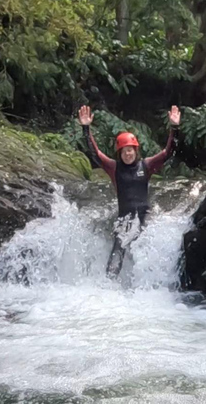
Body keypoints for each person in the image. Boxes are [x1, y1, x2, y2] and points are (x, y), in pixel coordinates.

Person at [77, 105, 181, 278]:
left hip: (145, 217)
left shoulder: (146, 166)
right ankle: (109, 284)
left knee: (150, 247)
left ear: (135, 150)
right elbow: (95, 153)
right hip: (125, 219)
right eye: (124, 151)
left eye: (130, 150)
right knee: (118, 250)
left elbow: (168, 153)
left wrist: (174, 128)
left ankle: (151, 284)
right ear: (120, 153)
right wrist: (86, 128)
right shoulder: (114, 168)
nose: (127, 154)